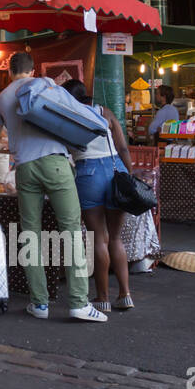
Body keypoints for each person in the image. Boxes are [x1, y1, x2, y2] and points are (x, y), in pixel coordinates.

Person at [0, 52, 106, 323]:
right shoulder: (44, 84)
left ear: (10, 70)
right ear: (31, 70)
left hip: (24, 168)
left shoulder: (1, 99)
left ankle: (39, 303)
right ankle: (78, 302)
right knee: (71, 230)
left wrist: (10, 147)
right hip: (55, 163)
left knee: (30, 233)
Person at [63, 79, 134, 312]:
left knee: (97, 239)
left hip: (89, 174)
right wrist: (128, 176)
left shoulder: (66, 117)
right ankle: (125, 295)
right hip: (116, 170)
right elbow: (123, 148)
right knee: (115, 238)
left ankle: (102, 298)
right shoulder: (105, 112)